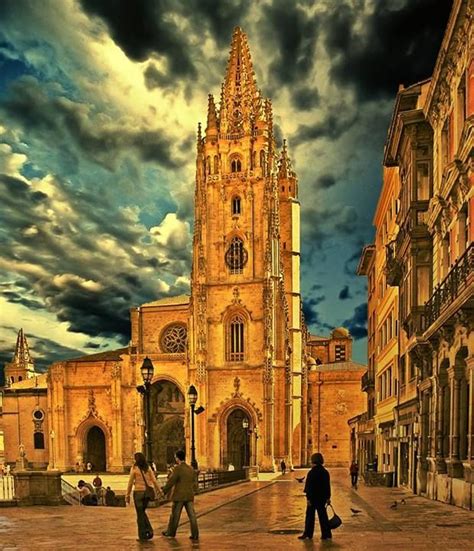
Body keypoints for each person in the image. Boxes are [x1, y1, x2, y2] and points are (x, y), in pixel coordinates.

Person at [160, 450, 199, 541]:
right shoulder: (190, 468)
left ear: (177, 458)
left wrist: (164, 491)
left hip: (179, 496)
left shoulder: (177, 468)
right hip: (189, 495)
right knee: (192, 516)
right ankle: (195, 534)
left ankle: (171, 532)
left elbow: (171, 481)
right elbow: (194, 482)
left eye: (176, 457)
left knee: (175, 515)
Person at [126, 452, 161, 541]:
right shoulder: (148, 468)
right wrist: (159, 490)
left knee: (140, 514)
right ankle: (148, 531)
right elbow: (154, 480)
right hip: (147, 494)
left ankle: (143, 534)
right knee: (142, 513)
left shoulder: (134, 468)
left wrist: (127, 495)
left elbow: (130, 482)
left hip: (138, 493)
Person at [298, 453, 332, 541]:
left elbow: (309, 487)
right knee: (323, 516)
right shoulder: (325, 472)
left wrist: (308, 498)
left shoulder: (311, 472)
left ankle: (308, 534)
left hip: (313, 498)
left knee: (310, 517)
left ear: (313, 461)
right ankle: (326, 534)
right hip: (322, 498)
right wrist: (328, 498)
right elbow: (327, 486)